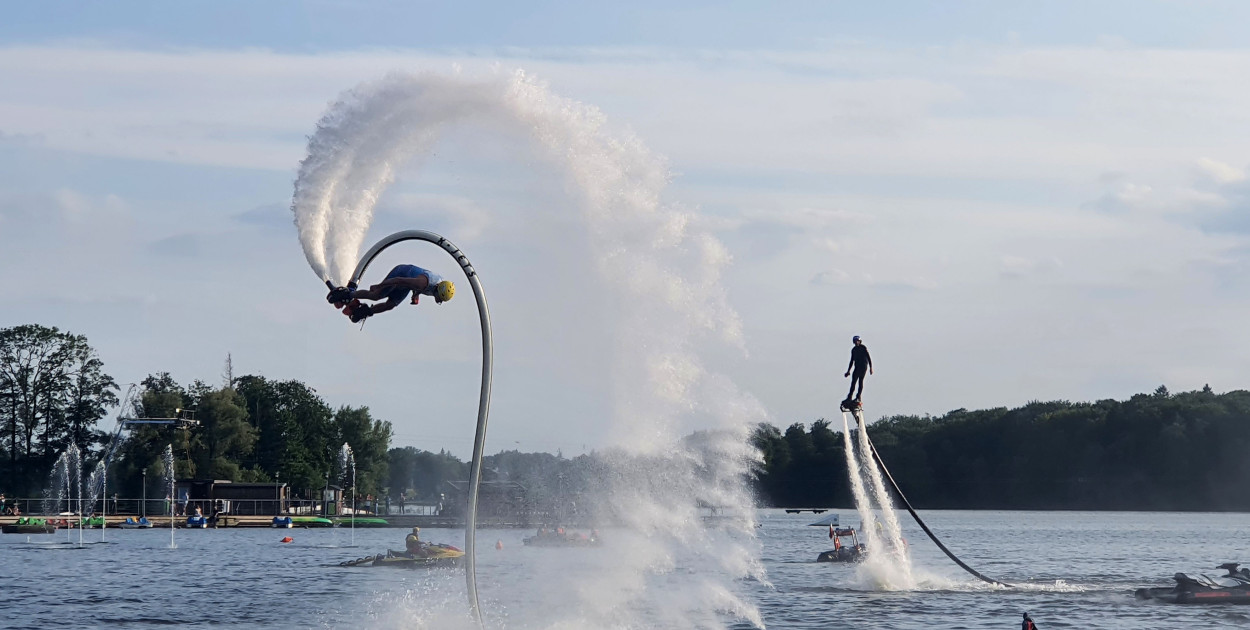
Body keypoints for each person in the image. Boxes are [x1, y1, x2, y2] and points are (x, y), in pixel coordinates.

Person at [326, 264, 456, 323]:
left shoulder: (435, 287)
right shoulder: (423, 283)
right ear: (439, 290)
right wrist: (379, 286)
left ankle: (366, 311)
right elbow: (399, 280)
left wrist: (416, 295)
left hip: (406, 284)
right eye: (440, 298)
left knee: (390, 305)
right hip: (400, 274)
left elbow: (419, 287)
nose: (438, 301)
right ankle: (347, 294)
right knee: (377, 295)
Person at [843, 335, 873, 406]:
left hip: (863, 367)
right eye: (855, 341)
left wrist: (871, 368)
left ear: (860, 341)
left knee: (860, 381)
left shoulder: (863, 348)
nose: (856, 342)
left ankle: (858, 397)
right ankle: (849, 397)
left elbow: (869, 358)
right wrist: (848, 371)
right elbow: (851, 361)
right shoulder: (853, 350)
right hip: (857, 367)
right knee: (853, 382)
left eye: (857, 341)